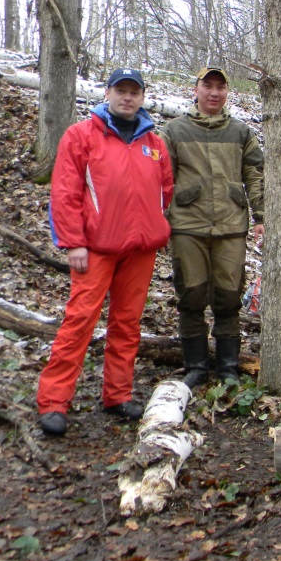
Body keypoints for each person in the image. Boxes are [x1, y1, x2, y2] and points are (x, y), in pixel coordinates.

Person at [38, 68, 174, 436]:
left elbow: (166, 190)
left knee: (127, 323)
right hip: (95, 249)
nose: (127, 98)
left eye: (134, 92)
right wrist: (73, 242)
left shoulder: (155, 144)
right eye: (121, 91)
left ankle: (117, 394)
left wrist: (154, 224)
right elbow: (64, 192)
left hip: (140, 249)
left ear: (142, 97)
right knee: (79, 321)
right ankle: (53, 402)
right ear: (107, 93)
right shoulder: (82, 135)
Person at [160, 67, 264, 388]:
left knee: (228, 296)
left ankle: (229, 366)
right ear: (197, 90)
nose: (214, 92)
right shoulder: (174, 131)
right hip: (187, 226)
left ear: (227, 92)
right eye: (208, 86)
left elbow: (256, 176)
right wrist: (158, 219)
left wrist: (261, 217)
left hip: (231, 227)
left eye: (220, 87)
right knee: (190, 295)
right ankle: (196, 366)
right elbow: (160, 179)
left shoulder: (241, 132)